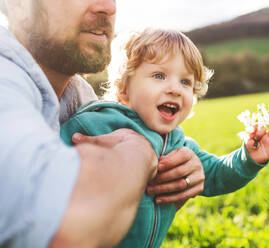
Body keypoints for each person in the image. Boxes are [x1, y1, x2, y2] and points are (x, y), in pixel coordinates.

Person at [0, 1, 205, 247]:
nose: (108, 7)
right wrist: (138, 152)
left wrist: (169, 180)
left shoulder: (81, 97)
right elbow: (64, 228)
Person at [60, 28, 269, 247]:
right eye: (159, 75)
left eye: (185, 82)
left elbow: (219, 175)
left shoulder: (180, 147)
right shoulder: (97, 122)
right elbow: (49, 160)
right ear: (124, 89)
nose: (175, 89)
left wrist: (248, 158)